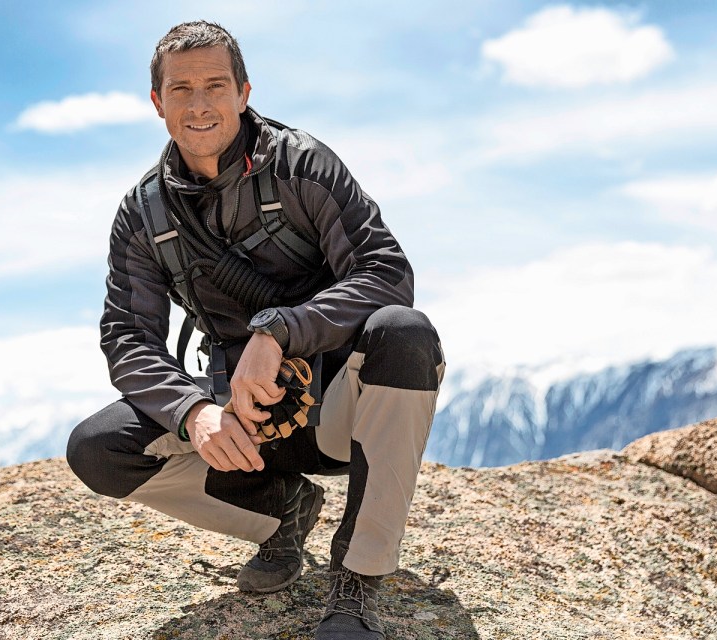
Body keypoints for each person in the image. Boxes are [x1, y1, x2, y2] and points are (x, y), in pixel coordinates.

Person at [66, 20, 444, 640]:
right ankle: (280, 515)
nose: (200, 102)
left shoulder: (304, 165)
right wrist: (193, 414)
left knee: (406, 333)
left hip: (343, 411)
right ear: (158, 103)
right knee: (97, 447)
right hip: (239, 426)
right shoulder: (142, 213)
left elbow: (385, 272)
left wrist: (276, 332)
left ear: (244, 91)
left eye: (215, 84)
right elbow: (127, 338)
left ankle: (355, 583)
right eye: (181, 89)